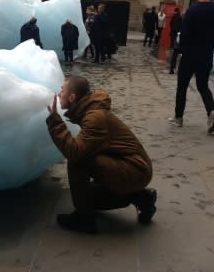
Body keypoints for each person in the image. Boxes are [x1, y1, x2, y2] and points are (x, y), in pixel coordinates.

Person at [46, 75, 157, 233]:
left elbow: (75, 152)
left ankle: (84, 219)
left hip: (136, 170)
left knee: (78, 161)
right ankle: (140, 197)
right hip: (131, 166)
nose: (58, 94)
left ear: (72, 97)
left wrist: (55, 122)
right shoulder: (90, 111)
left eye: (61, 91)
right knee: (90, 197)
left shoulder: (94, 118)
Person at [168, 0, 214, 133]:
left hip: (189, 55)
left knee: (182, 87)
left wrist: (181, 48)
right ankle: (211, 112)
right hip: (207, 55)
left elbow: (185, 36)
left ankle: (178, 118)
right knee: (203, 86)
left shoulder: (192, 11)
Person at [169, 8, 183, 74]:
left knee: (175, 54)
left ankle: (172, 69)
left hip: (176, 37)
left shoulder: (174, 17)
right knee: (182, 55)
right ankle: (180, 69)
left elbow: (170, 24)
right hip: (181, 38)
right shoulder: (181, 19)